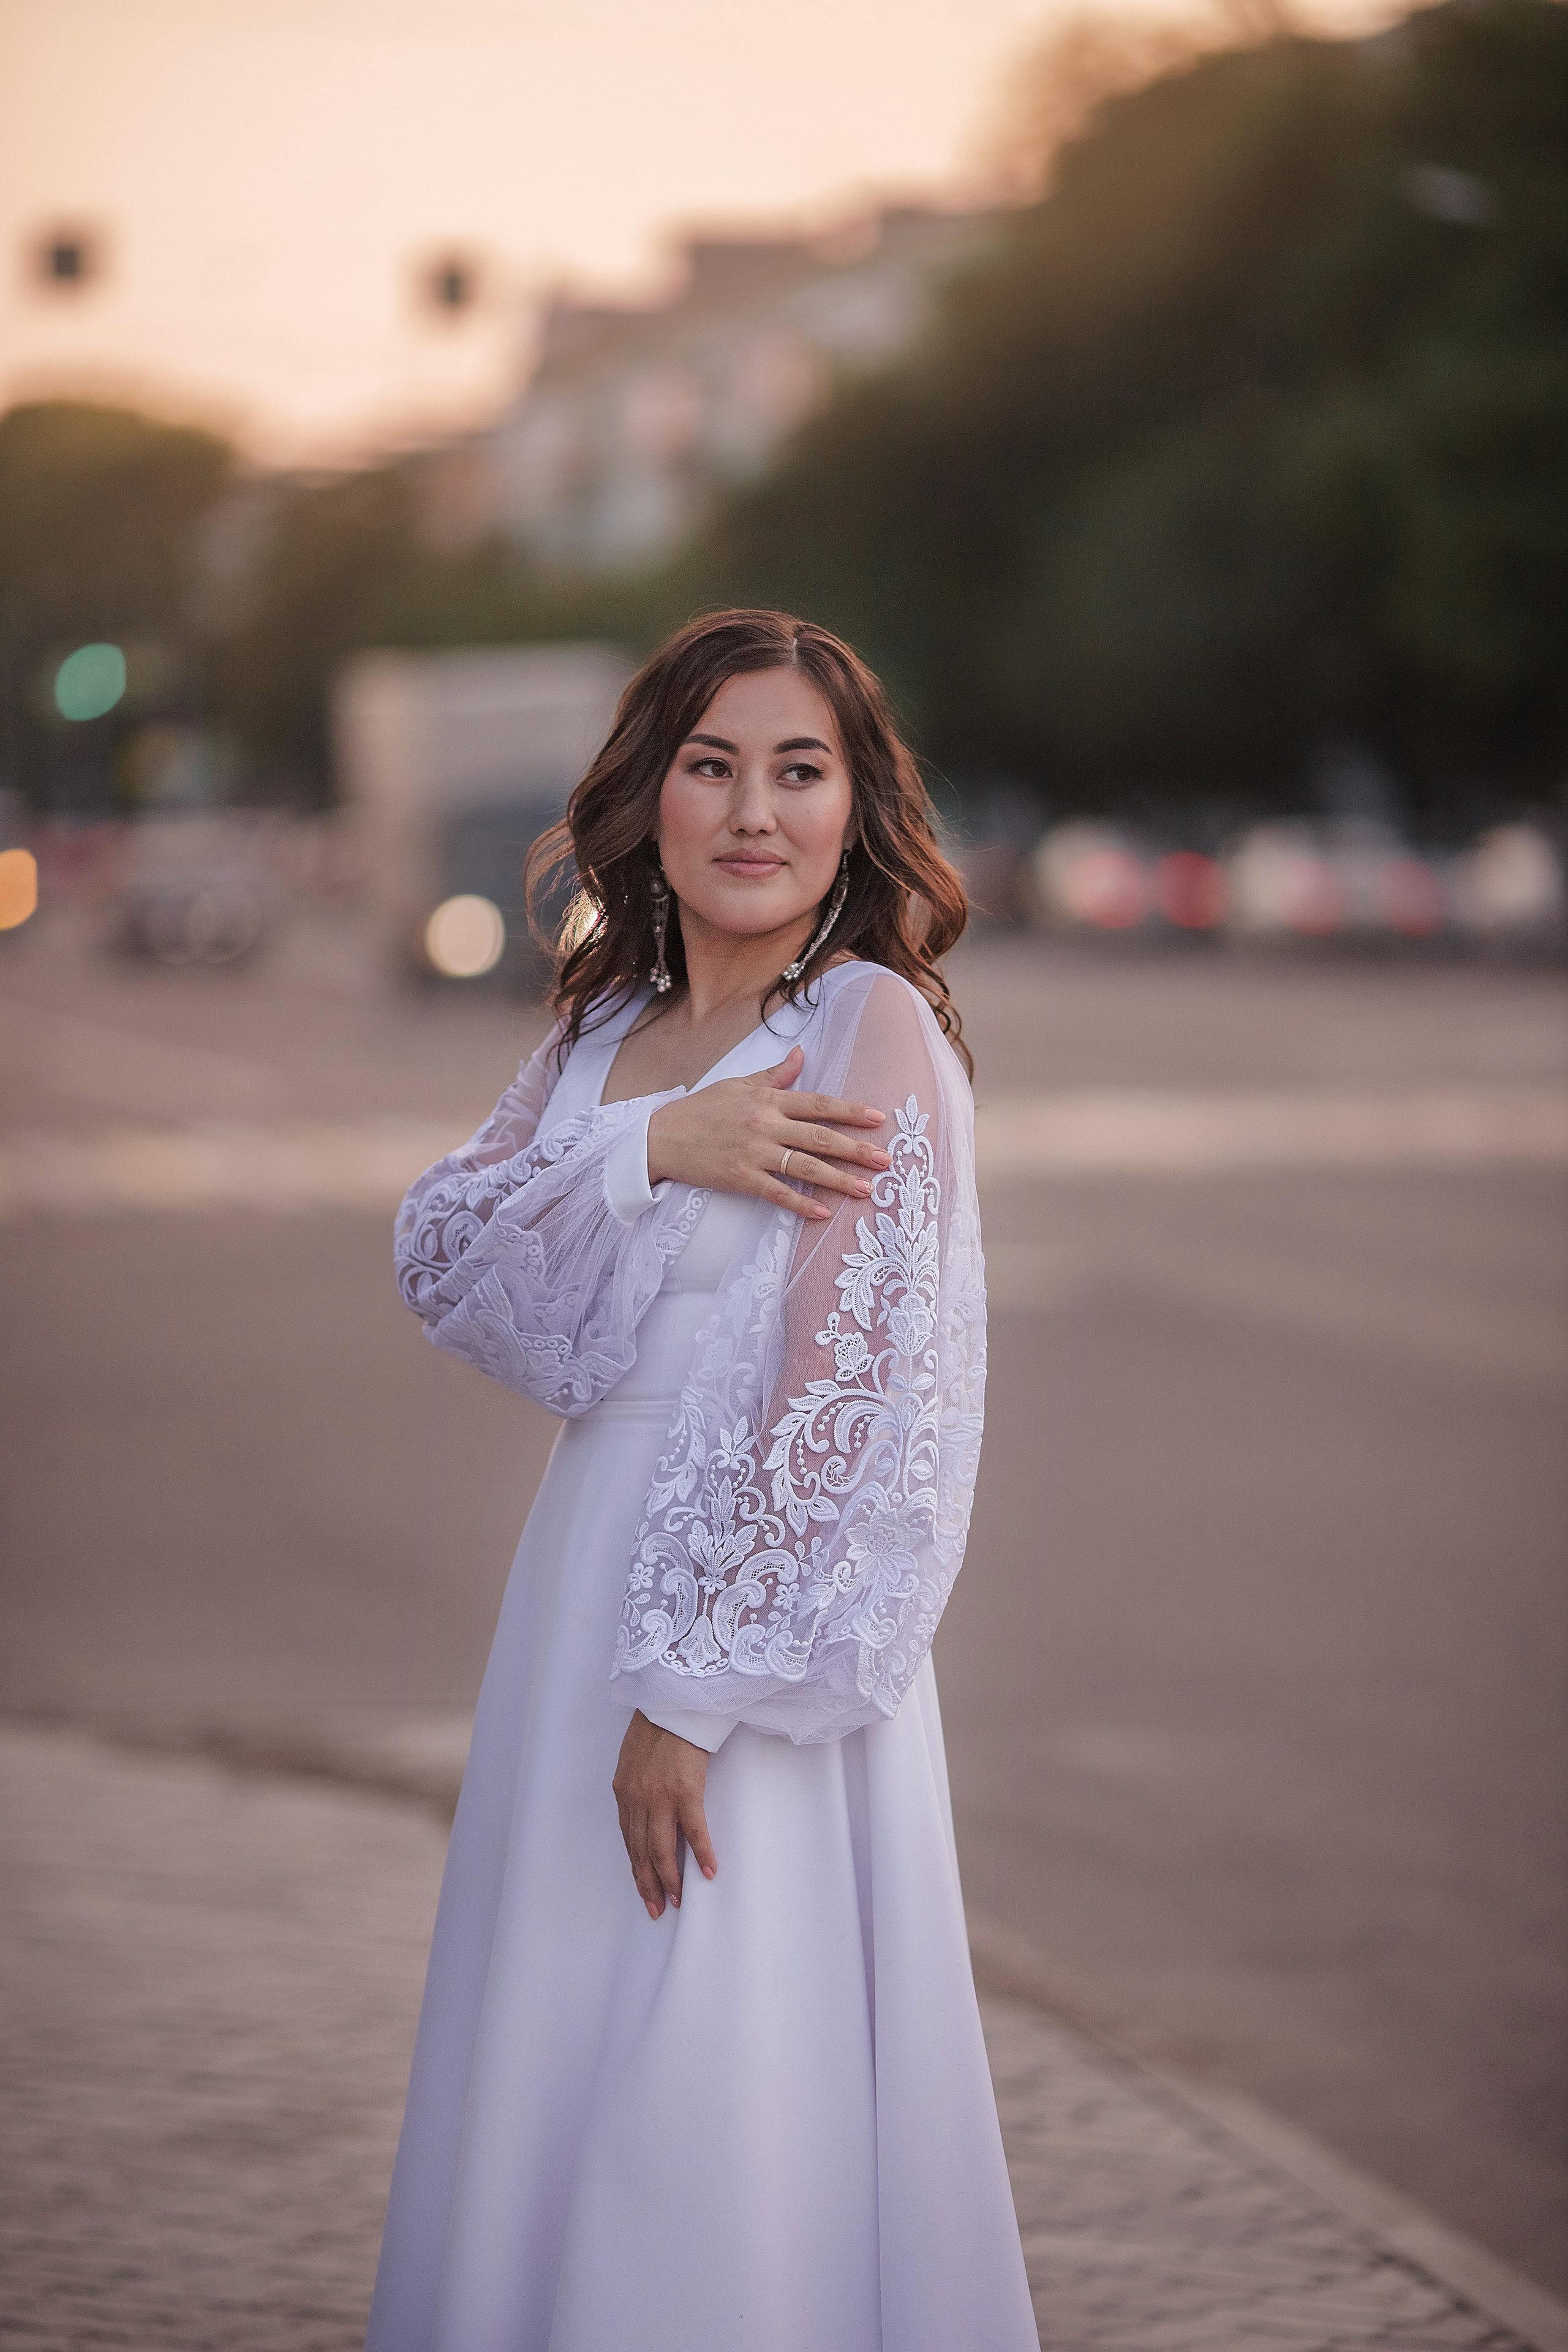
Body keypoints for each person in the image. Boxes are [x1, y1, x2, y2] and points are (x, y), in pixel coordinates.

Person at [366, 610, 1038, 2352]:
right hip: (574, 1584)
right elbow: (447, 1256)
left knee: (712, 2058)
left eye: (799, 771)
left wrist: (689, 1696)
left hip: (742, 1632)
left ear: (852, 809)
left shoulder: (869, 1029)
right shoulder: (606, 1029)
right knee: (559, 2031)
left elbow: (851, 1396)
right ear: (650, 798)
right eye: (713, 764)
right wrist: (650, 1143)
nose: (756, 810)